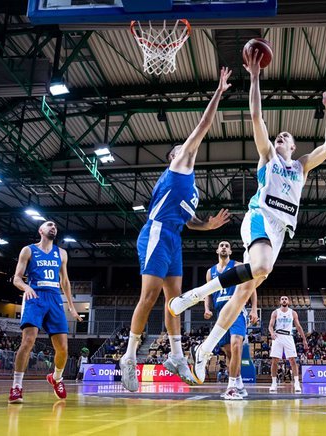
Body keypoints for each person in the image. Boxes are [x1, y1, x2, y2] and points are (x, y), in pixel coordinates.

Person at [168, 48, 326, 384]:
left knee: (244, 293)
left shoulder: (301, 166)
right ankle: (196, 294)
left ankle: (203, 351)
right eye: (279, 137)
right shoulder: (267, 159)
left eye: (286, 137)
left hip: (278, 233)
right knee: (261, 268)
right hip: (258, 218)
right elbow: (256, 117)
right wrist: (256, 77)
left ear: (293, 146)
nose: (281, 137)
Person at [119, 67, 233, 393]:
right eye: (180, 148)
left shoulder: (192, 189)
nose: (185, 149)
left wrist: (207, 224)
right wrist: (219, 92)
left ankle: (176, 355)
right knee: (150, 295)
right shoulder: (179, 164)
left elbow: (189, 220)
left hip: (174, 237)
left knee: (176, 301)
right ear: (174, 156)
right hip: (155, 232)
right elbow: (203, 126)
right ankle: (129, 357)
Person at [8, 221, 82, 403]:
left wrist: (72, 307)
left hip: (55, 298)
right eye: (49, 225)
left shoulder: (61, 253)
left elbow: (65, 282)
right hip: (35, 296)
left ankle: (56, 378)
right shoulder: (28, 250)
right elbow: (16, 278)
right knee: (28, 341)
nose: (53, 227)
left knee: (63, 349)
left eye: (55, 226)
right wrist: (25, 287)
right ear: (40, 230)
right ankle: (16, 386)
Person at [203, 240, 258, 400]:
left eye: (227, 246)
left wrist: (254, 309)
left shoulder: (237, 265)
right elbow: (207, 292)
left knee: (236, 345)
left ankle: (231, 386)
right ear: (217, 250)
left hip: (236, 310)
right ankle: (239, 384)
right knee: (228, 352)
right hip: (221, 315)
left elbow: (251, 287)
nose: (224, 247)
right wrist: (207, 308)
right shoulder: (210, 272)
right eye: (221, 245)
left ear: (231, 251)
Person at [268, 296, 308, 393]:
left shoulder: (293, 313)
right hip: (278, 336)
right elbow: (270, 326)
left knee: (293, 360)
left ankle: (296, 383)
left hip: (288, 336)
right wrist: (272, 333)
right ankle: (273, 383)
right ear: (280, 301)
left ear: (288, 301)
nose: (284, 300)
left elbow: (298, 326)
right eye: (282, 299)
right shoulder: (275, 312)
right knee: (275, 360)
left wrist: (304, 339)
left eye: (286, 299)